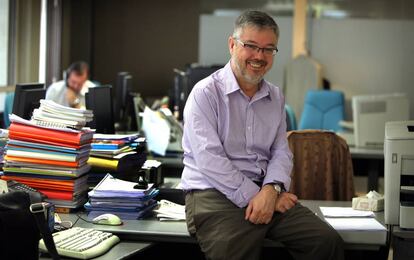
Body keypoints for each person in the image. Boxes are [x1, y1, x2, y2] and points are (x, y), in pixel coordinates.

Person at [180, 10, 344, 260]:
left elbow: (281, 151)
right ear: (232, 44)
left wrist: (271, 188)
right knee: (235, 253)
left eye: (269, 49)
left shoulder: (275, 97)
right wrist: (259, 197)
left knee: (325, 242)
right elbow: (209, 160)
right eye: (251, 46)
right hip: (214, 194)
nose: (259, 56)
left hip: (265, 190)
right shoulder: (205, 93)